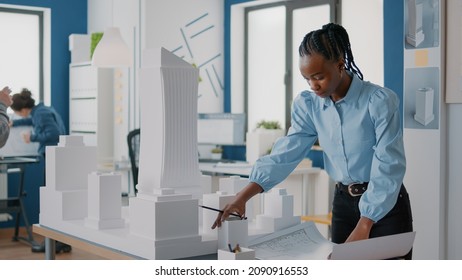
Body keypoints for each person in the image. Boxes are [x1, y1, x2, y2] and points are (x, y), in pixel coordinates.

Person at [212, 23, 413, 259]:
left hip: (386, 205)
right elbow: (285, 154)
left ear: (339, 65)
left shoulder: (378, 101)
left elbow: (388, 164)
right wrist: (242, 197)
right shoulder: (309, 105)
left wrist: (365, 223)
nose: (313, 85)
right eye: (307, 79)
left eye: (319, 77)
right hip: (343, 204)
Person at [10, 88, 71, 254]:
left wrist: (32, 137)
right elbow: (33, 121)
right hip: (58, 158)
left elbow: (54, 134)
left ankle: (53, 242)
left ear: (22, 110)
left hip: (53, 158)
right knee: (55, 200)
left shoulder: (40, 114)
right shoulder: (42, 110)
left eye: (17, 114)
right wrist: (14, 123)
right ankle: (60, 241)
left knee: (50, 201)